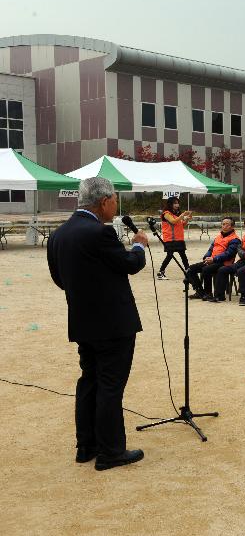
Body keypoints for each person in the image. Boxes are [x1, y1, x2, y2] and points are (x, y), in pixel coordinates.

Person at [46, 177, 148, 471]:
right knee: (110, 387)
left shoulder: (59, 235)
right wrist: (139, 246)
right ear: (103, 202)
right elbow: (130, 265)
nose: (116, 206)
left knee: (89, 382)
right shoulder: (99, 233)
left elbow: (59, 280)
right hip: (113, 324)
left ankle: (86, 445)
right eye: (115, 200)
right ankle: (111, 452)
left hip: (83, 322)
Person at [185, 217, 240, 301]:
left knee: (206, 269)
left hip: (224, 262)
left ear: (232, 227)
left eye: (227, 224)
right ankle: (200, 292)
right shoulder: (218, 237)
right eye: (223, 224)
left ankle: (208, 293)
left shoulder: (235, 239)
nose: (224, 226)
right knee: (190, 269)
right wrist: (206, 257)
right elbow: (211, 249)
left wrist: (214, 259)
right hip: (212, 260)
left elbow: (229, 254)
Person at [157, 196, 191, 280]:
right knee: (169, 255)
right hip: (170, 239)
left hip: (179, 238)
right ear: (170, 204)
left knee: (183, 255)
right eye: (175, 203)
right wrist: (182, 215)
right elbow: (173, 221)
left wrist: (187, 219)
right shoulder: (166, 213)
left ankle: (188, 270)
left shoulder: (177, 214)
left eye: (178, 203)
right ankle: (161, 272)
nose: (177, 205)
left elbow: (181, 225)